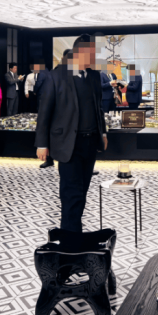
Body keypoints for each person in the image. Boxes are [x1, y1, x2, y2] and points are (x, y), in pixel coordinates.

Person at [36, 34, 108, 232]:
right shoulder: (56, 76)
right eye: (92, 54)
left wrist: (103, 133)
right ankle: (70, 239)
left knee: (82, 191)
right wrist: (42, 144)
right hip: (68, 143)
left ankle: (74, 232)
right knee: (71, 194)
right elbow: (44, 112)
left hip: (90, 143)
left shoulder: (94, 76)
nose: (94, 58)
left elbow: (98, 108)